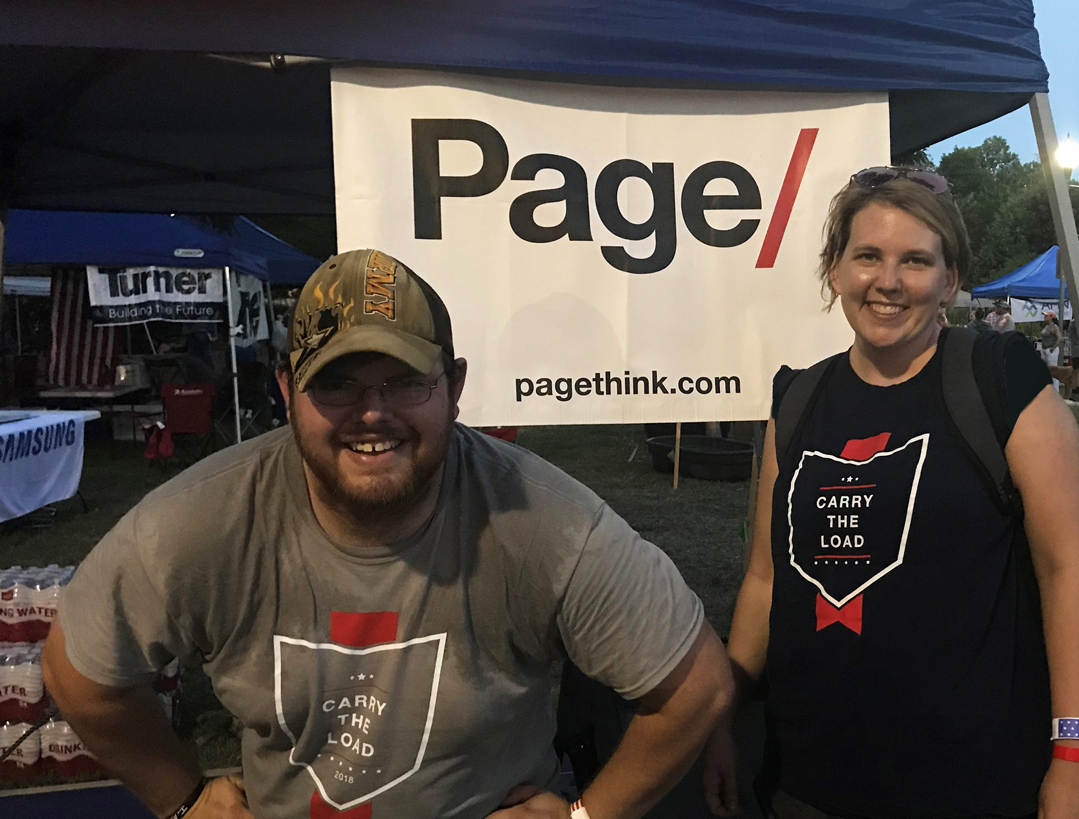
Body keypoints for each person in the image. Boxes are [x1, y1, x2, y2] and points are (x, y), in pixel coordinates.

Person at [43, 249, 733, 819]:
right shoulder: (202, 520)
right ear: (287, 391)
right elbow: (76, 671)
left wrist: (585, 817)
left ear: (454, 387)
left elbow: (697, 683)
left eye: (404, 380)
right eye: (336, 383)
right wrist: (185, 798)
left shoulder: (544, 520)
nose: (372, 413)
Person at [703, 168, 1079, 819]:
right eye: (867, 256)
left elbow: (1067, 571)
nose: (888, 281)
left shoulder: (1000, 379)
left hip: (968, 781)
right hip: (808, 780)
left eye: (915, 260)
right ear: (834, 270)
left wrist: (1077, 754)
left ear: (949, 279)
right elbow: (765, 579)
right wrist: (718, 715)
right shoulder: (797, 400)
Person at [1065, 317, 1079, 402]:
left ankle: (1073, 391)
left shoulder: (1073, 322)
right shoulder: (1077, 322)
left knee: (1075, 370)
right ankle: (1078, 391)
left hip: (1076, 349)